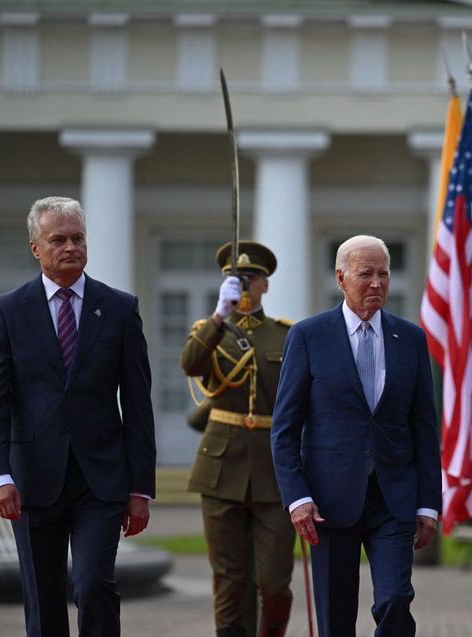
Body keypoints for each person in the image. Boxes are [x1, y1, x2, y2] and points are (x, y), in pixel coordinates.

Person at [0, 196, 156, 636]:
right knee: (44, 595)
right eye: (58, 239)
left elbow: (137, 403)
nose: (70, 247)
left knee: (94, 584)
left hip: (101, 479)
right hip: (33, 480)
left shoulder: (119, 308)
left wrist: (140, 488)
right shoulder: (9, 311)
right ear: (36, 247)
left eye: (77, 238)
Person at [271, 234, 442, 637]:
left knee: (396, 600)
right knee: (336, 617)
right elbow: (284, 429)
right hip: (328, 502)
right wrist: (298, 498)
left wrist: (428, 504)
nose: (377, 283)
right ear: (340, 277)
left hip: (393, 497)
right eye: (366, 274)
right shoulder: (309, 337)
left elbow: (424, 427)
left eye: (384, 273)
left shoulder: (411, 340)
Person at [181, 241, 295, 637]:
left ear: (265, 284)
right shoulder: (209, 331)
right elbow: (190, 365)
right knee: (230, 578)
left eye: (252, 278)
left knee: (275, 581)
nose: (245, 284)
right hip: (221, 464)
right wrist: (219, 316)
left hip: (275, 468)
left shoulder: (288, 336)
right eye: (237, 278)